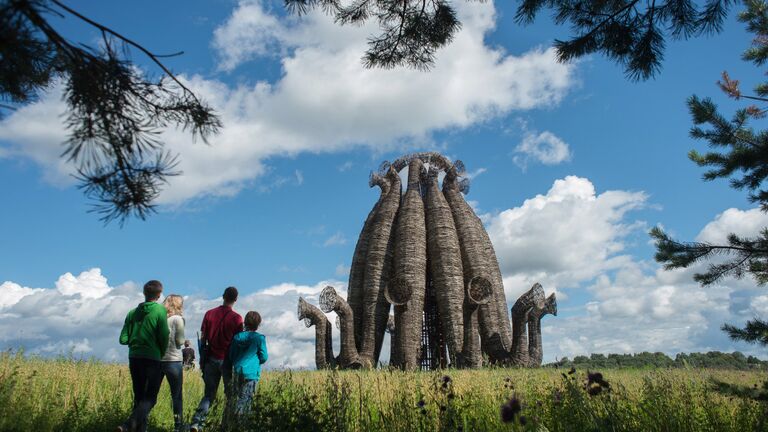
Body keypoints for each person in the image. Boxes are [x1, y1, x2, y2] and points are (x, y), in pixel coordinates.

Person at [117, 280, 170, 432]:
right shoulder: (160, 311)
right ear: (159, 295)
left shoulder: (132, 313)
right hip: (152, 357)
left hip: (134, 357)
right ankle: (128, 425)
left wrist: (134, 341)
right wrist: (160, 351)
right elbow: (164, 335)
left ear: (144, 293)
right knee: (150, 398)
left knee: (139, 397)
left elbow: (123, 339)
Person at [190, 287, 244, 432]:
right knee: (230, 395)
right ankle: (225, 425)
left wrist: (202, 359)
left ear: (223, 296)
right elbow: (238, 341)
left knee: (208, 395)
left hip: (210, 359)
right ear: (236, 299)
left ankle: (197, 423)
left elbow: (203, 339)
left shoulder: (209, 314)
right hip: (227, 360)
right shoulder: (237, 318)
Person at [223, 311, 268, 430]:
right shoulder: (259, 338)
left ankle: (231, 423)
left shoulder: (237, 337)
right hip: (251, 373)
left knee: (236, 397)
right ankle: (242, 425)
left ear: (245, 322)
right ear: (258, 324)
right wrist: (257, 360)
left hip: (237, 371)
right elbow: (264, 357)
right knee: (246, 400)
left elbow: (231, 355)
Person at [161, 294, 186, 432]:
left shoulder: (161, 319)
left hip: (158, 359)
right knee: (176, 396)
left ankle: (140, 424)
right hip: (174, 360)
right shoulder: (178, 319)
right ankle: (178, 426)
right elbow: (180, 341)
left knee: (151, 396)